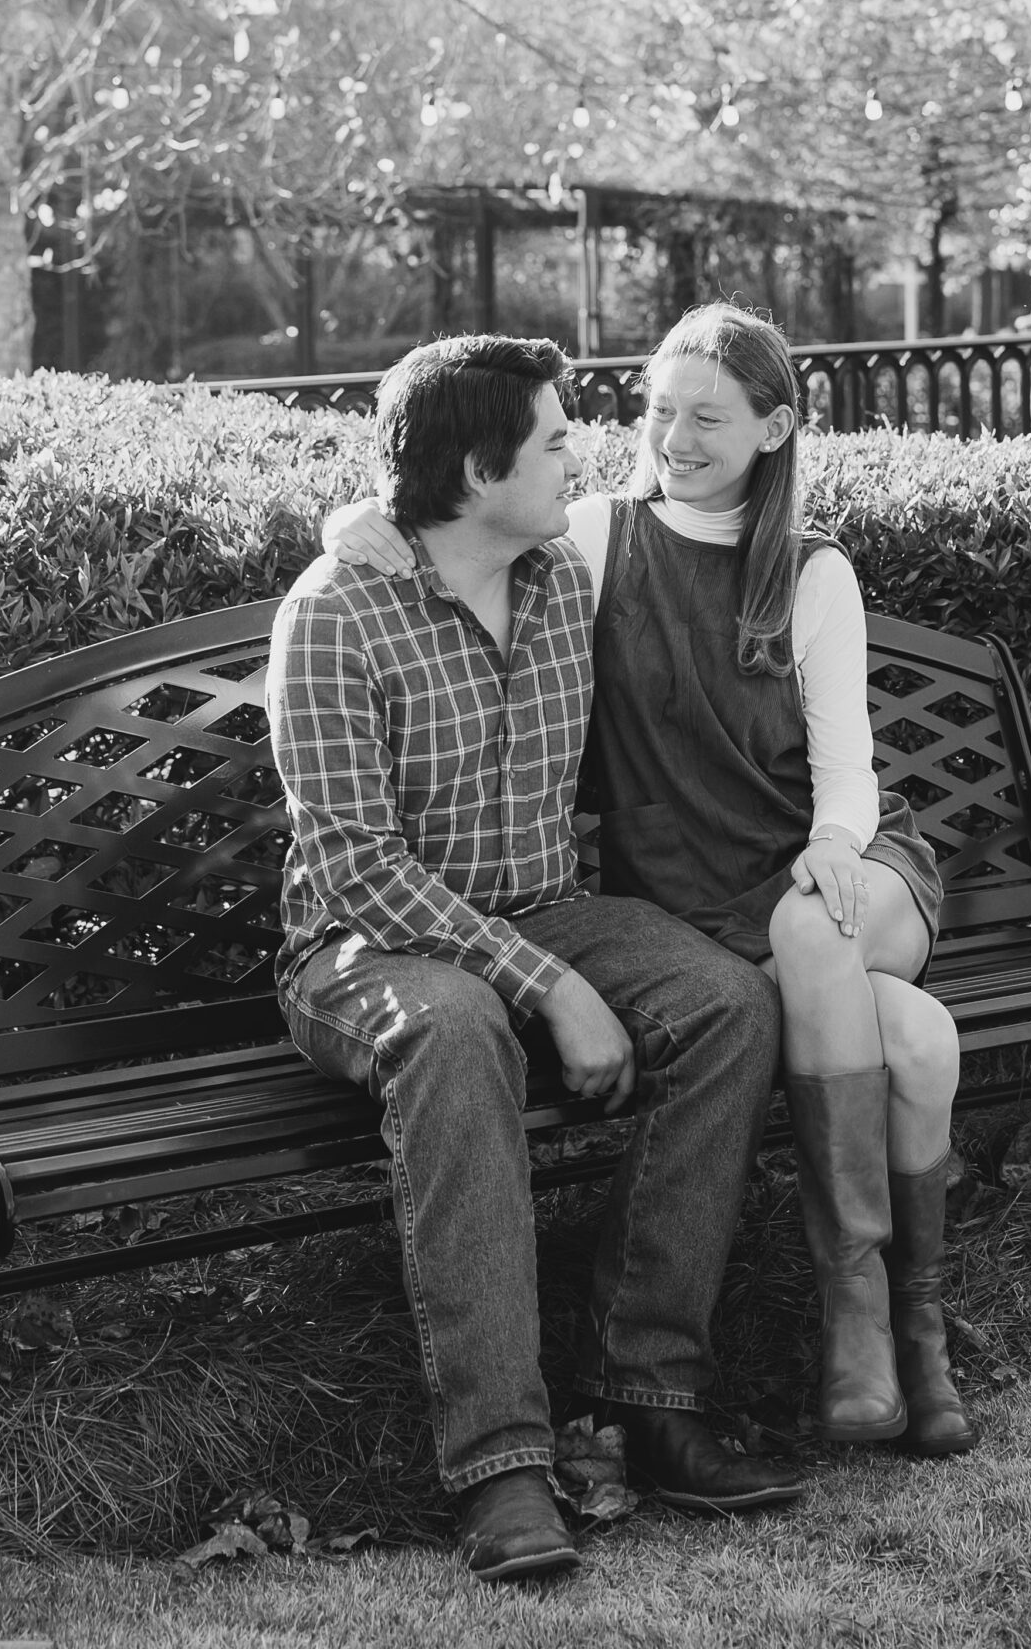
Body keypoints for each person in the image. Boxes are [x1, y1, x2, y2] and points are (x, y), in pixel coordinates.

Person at [327, 305, 974, 1459]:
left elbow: (850, 767)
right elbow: (452, 514)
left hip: (840, 869)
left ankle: (858, 1329)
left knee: (813, 942)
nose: (670, 434)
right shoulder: (594, 536)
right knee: (916, 1044)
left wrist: (834, 843)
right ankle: (912, 1343)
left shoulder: (812, 569)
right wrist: (358, 517)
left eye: (708, 417)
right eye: (659, 408)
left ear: (775, 429)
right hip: (701, 896)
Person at [270, 332, 802, 1590]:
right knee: (458, 1033)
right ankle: (500, 1460)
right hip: (364, 946)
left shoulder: (565, 572)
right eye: (556, 439)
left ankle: (649, 1394)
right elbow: (352, 863)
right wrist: (548, 986)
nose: (582, 454)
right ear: (472, 468)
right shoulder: (335, 611)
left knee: (728, 1005)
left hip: (543, 903)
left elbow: (715, 514)